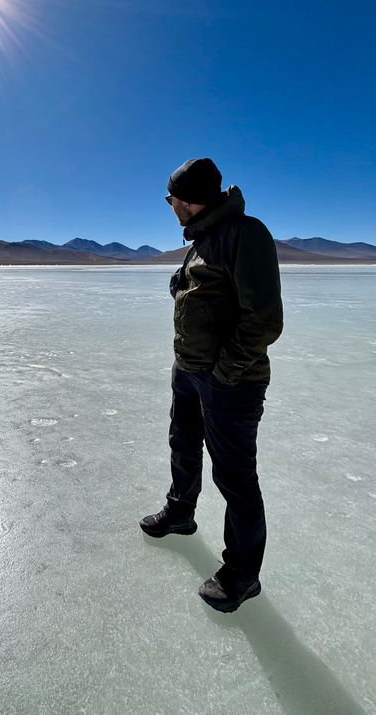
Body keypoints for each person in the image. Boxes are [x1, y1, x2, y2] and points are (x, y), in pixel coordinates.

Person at [140, 157, 283, 612]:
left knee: (235, 477)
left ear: (190, 199)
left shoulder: (246, 235)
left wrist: (224, 372)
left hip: (229, 382)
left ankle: (243, 574)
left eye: (172, 199)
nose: (170, 207)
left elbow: (263, 320)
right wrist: (180, 284)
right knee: (182, 443)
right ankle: (181, 512)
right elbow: (209, 294)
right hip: (189, 370)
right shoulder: (202, 240)